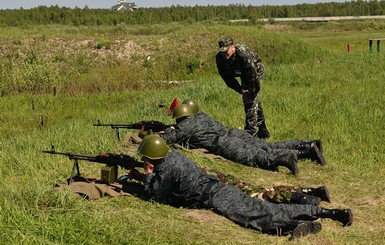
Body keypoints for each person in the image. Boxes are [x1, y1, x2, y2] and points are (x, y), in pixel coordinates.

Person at [128, 135, 352, 240]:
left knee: (255, 215)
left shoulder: (165, 168)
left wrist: (147, 176)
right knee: (261, 207)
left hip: (216, 196)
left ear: (151, 157)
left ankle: (299, 223)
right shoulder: (173, 157)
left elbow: (156, 197)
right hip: (217, 189)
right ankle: (330, 214)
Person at [160, 101, 326, 175]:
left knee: (255, 157)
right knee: (268, 146)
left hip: (225, 143)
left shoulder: (186, 126)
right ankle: (308, 145)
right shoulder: (201, 116)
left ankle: (288, 158)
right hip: (235, 133)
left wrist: (168, 130)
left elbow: (168, 140)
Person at [216, 36, 270, 138]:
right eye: (222, 52)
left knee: (250, 99)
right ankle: (263, 130)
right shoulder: (219, 58)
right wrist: (240, 89)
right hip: (241, 73)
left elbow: (252, 77)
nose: (224, 54)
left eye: (226, 51)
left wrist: (250, 92)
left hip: (255, 70)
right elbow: (227, 78)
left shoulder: (244, 55)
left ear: (232, 47)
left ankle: (249, 132)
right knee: (253, 100)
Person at [200, 166, 330, 206]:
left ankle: (310, 194)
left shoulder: (211, 177)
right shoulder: (210, 182)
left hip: (247, 189)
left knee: (273, 191)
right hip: (245, 192)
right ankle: (308, 197)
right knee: (270, 193)